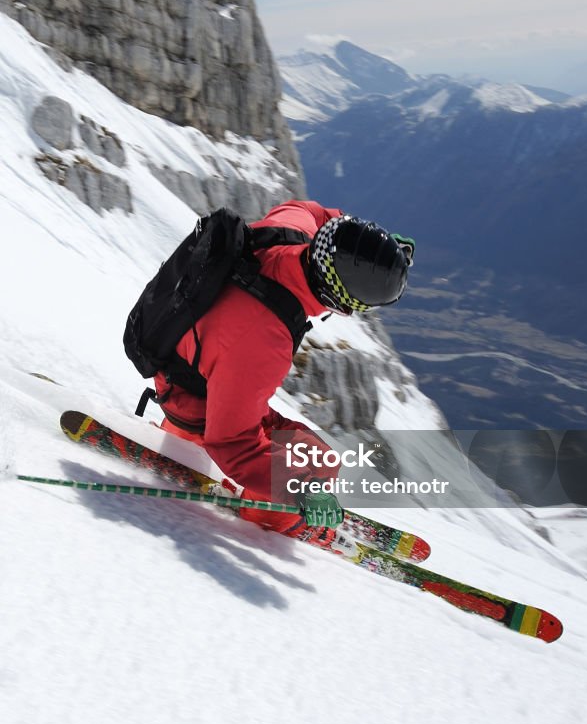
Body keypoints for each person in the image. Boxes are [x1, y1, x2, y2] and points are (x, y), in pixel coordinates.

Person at [154, 199, 414, 542]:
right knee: (316, 465)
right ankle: (269, 527)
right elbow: (231, 440)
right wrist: (302, 490)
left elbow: (313, 212)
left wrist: (372, 246)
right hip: (194, 401)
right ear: (341, 302)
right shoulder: (262, 339)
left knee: (315, 458)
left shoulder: (291, 233)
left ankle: (183, 442)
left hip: (190, 362)